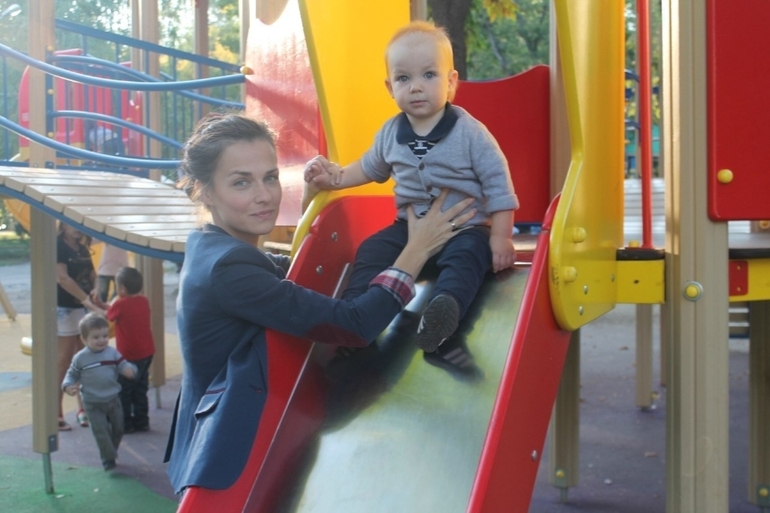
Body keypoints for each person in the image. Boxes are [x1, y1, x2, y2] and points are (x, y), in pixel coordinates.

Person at [163, 112, 476, 495]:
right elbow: (355, 325)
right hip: (231, 464)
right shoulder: (229, 268)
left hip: (217, 442)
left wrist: (313, 205)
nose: (264, 195)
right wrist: (417, 249)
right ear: (204, 191)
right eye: (241, 182)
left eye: (270, 177)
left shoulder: (209, 246)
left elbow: (289, 282)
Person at [304, 21, 518, 354]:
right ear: (390, 87)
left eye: (429, 75)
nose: (416, 87)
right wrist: (335, 177)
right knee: (372, 249)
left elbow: (498, 183)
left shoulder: (470, 132)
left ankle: (444, 311)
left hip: (464, 229)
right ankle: (352, 313)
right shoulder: (390, 133)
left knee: (469, 256)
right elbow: (369, 167)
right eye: (404, 78)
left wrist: (500, 237)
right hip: (408, 229)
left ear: (451, 82)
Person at [62, 313, 136, 471]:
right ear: (84, 339)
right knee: (101, 431)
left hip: (113, 399)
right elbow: (71, 374)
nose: (102, 340)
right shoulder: (80, 358)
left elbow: (123, 364)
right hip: (93, 403)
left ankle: (110, 450)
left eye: (105, 336)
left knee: (118, 429)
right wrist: (68, 386)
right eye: (96, 337)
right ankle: (108, 458)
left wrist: (130, 370)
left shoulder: (112, 353)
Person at [56, 222, 99, 431]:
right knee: (63, 360)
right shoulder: (58, 245)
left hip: (82, 308)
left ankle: (83, 408)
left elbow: (92, 274)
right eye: (71, 223)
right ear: (63, 224)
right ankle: (55, 411)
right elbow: (62, 278)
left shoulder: (81, 247)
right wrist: (86, 299)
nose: (77, 227)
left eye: (79, 223)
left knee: (83, 358)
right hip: (65, 308)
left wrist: (97, 288)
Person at [105, 266, 155, 433]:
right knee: (140, 388)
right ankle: (142, 421)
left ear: (122, 289)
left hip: (129, 355)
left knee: (124, 390)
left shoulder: (120, 304)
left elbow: (108, 315)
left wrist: (91, 304)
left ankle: (126, 423)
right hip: (147, 352)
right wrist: (102, 304)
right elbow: (113, 310)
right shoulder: (144, 300)